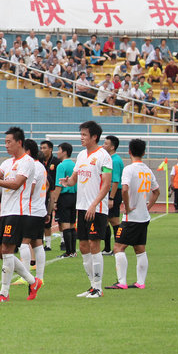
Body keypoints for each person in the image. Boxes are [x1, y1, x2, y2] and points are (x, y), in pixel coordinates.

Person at [0, 127, 42, 302]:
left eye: (9, 142)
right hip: (6, 212)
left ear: (19, 142)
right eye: (5, 142)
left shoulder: (27, 162)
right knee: (2, 253)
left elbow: (16, 184)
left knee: (7, 251)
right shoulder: (7, 163)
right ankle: (33, 282)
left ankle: (4, 293)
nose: (6, 145)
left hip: (18, 212)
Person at [64, 120, 112, 298]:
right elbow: (74, 180)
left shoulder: (103, 156)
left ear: (94, 137)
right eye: (81, 134)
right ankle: (92, 286)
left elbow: (106, 184)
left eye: (85, 135)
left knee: (94, 245)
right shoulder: (81, 155)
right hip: (82, 207)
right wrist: (67, 182)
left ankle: (98, 287)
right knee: (83, 245)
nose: (81, 138)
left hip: (97, 208)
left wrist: (94, 204)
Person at [106, 139, 160, 290]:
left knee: (118, 247)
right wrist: (148, 206)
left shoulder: (129, 170)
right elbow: (156, 192)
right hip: (144, 217)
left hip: (132, 218)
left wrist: (128, 207)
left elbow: (124, 189)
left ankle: (122, 282)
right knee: (140, 249)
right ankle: (140, 282)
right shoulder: (147, 170)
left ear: (129, 151)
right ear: (143, 152)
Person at [16, 140, 48, 286]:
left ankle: (26, 276)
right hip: (39, 209)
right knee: (37, 244)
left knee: (24, 243)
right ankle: (39, 277)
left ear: (27, 151)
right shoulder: (41, 166)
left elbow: (31, 187)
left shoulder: (33, 166)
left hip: (31, 210)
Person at [102, 135, 125, 255]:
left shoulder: (114, 161)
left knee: (114, 221)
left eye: (106, 144)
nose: (103, 145)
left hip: (113, 193)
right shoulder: (112, 159)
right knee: (106, 221)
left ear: (112, 147)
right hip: (111, 193)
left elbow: (115, 181)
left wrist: (111, 198)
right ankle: (107, 248)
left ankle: (117, 247)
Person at [55, 142, 77, 258]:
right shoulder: (74, 165)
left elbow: (59, 186)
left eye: (59, 150)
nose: (57, 152)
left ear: (64, 152)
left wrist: (54, 202)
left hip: (64, 197)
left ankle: (68, 252)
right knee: (72, 223)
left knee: (65, 224)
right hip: (74, 196)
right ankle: (73, 251)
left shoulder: (61, 166)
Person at [37, 140, 59, 250]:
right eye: (41, 148)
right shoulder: (41, 168)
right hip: (47, 195)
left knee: (48, 222)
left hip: (53, 193)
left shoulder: (56, 162)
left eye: (44, 147)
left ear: (50, 149)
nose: (42, 150)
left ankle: (48, 244)